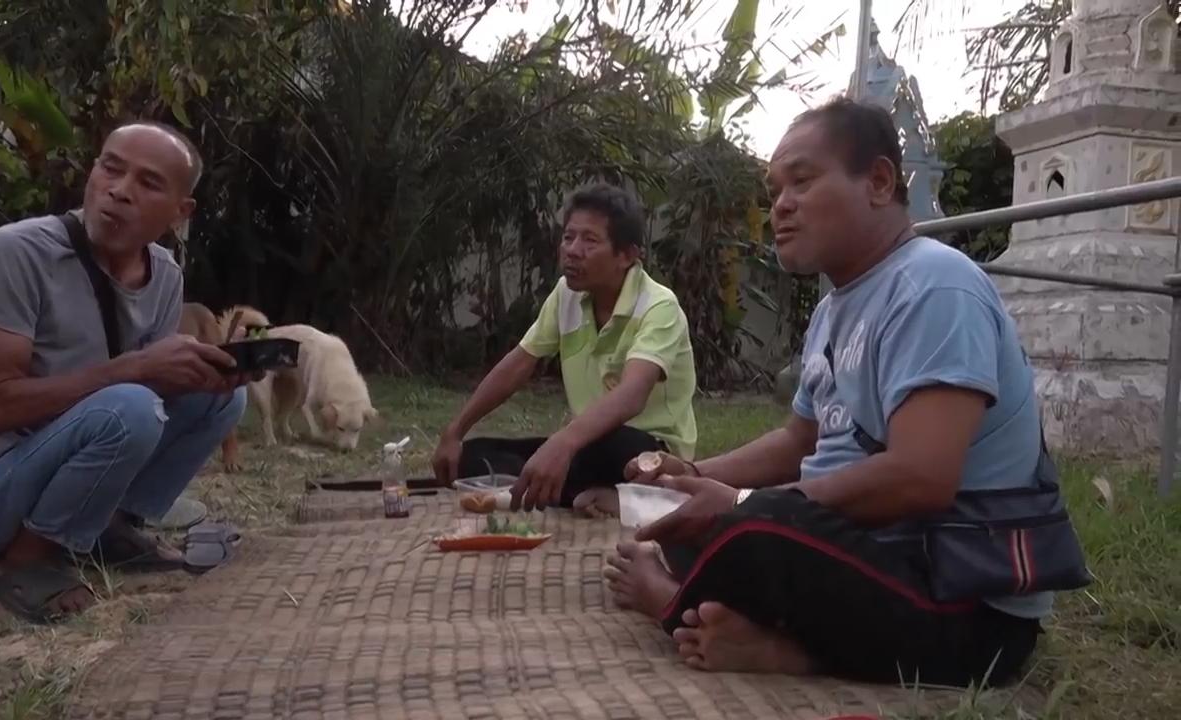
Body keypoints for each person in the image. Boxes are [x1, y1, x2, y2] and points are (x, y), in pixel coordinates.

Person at [604, 97, 1069, 688]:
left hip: (961, 597)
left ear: (878, 182)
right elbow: (800, 440)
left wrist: (742, 503)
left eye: (801, 180)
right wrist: (692, 474)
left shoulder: (934, 286)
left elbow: (921, 477)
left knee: (750, 527)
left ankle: (677, 606)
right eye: (774, 190)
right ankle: (777, 636)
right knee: (700, 522)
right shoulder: (833, 309)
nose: (781, 206)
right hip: (860, 553)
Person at [0, 121, 254, 623]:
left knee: (222, 398)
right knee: (130, 406)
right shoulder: (16, 253)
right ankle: (27, 556)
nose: (119, 191)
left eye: (149, 183)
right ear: (93, 172)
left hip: (66, 454)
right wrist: (134, 369)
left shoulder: (164, 275)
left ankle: (110, 527)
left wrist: (206, 374)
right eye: (111, 168)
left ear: (181, 213)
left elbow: (148, 388)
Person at [432, 183, 698, 513]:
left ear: (627, 255)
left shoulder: (659, 306)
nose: (572, 250)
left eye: (589, 240)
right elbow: (519, 364)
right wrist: (455, 430)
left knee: (622, 449)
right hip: (584, 445)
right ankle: (586, 494)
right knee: (473, 458)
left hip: (647, 451)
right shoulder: (566, 295)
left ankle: (640, 493)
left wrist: (564, 441)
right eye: (568, 237)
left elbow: (632, 394)